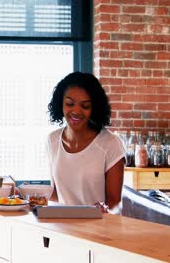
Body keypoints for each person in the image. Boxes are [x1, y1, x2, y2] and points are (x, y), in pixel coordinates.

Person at [46, 71, 125, 213]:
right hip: (62, 228)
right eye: (70, 103)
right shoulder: (52, 140)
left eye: (85, 106)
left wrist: (103, 209)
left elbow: (115, 203)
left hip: (97, 229)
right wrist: (27, 196)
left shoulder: (110, 143)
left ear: (94, 108)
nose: (76, 111)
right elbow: (57, 194)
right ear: (61, 104)